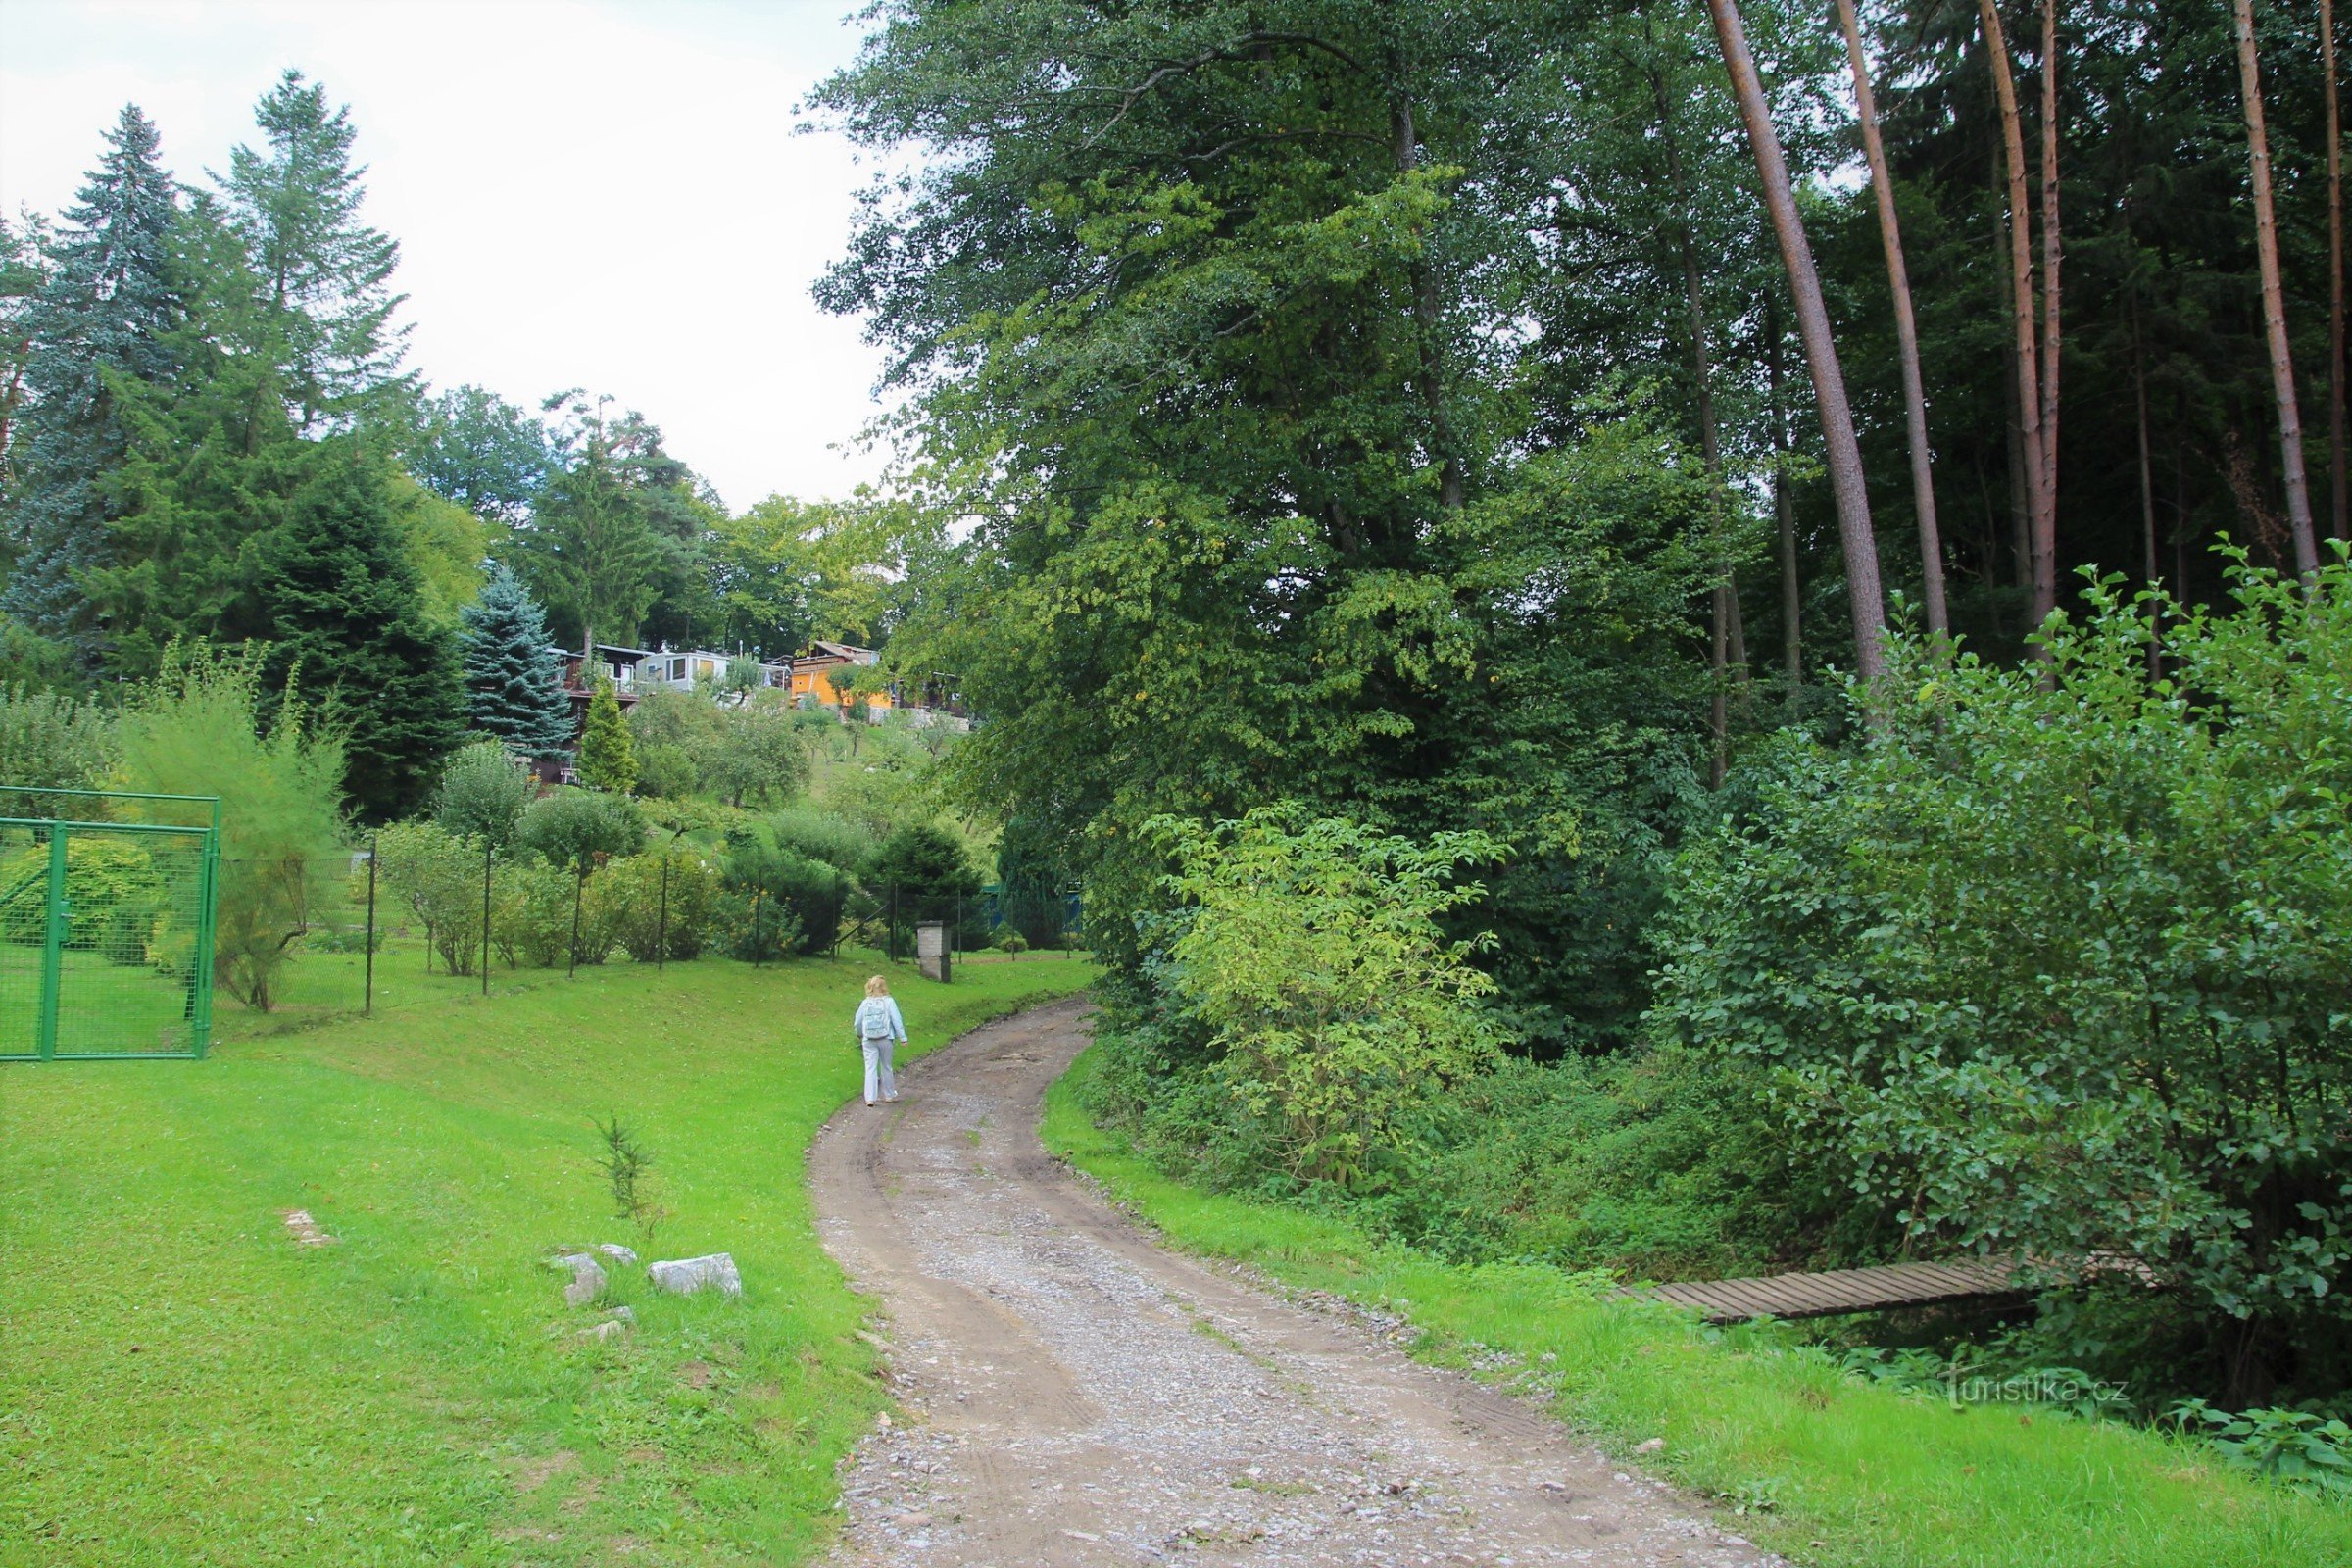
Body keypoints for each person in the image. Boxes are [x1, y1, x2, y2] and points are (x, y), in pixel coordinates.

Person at [852, 975, 907, 1106]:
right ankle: (888, 1094)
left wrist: (860, 1034)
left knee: (870, 1067)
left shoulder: (865, 1003)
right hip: (886, 1038)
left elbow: (857, 1022)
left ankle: (870, 1098)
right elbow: (896, 1020)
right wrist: (903, 1037)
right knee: (886, 1066)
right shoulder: (889, 1001)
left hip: (869, 1039)